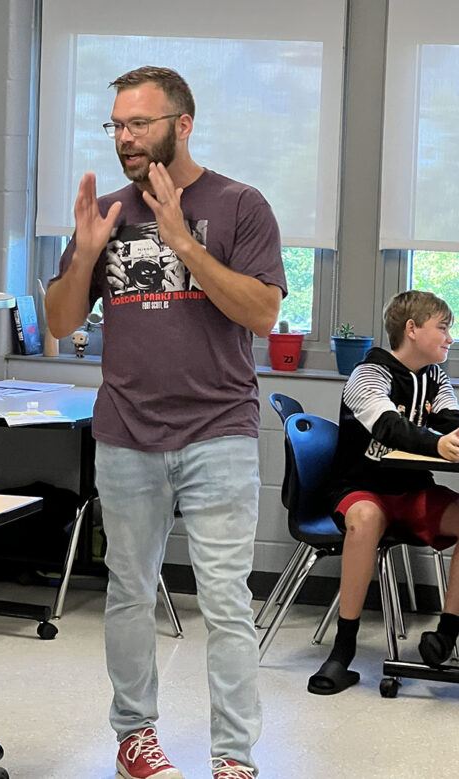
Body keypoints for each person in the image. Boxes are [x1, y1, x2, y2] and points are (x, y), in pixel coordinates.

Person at [46, 66, 286, 779]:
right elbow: (60, 322)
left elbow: (262, 312)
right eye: (116, 124)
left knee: (225, 600)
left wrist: (184, 242)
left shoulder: (241, 205)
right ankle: (134, 739)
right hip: (126, 432)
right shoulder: (108, 214)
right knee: (127, 591)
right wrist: (86, 252)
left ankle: (234, 756)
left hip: (218, 429)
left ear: (181, 125)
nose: (124, 137)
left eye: (138, 124)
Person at [308, 290, 459, 695]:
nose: (449, 337)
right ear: (411, 329)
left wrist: (447, 434)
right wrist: (436, 445)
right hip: (360, 490)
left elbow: (446, 416)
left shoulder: (434, 376)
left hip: (410, 492)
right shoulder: (367, 374)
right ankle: (343, 650)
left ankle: (446, 634)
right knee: (366, 518)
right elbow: (388, 426)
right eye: (442, 328)